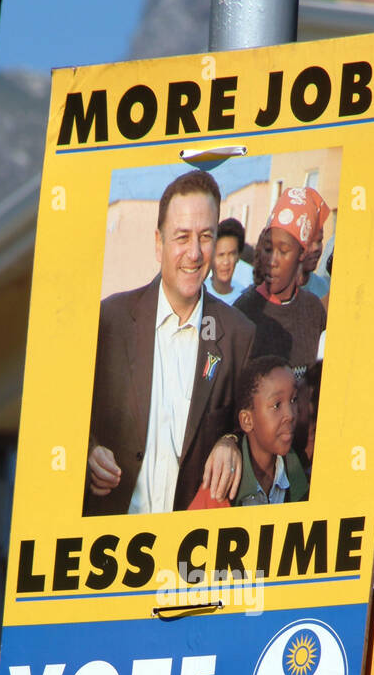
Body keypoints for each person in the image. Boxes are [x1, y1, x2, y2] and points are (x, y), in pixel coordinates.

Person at [84, 170, 255, 516]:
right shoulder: (109, 321)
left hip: (187, 556)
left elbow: (246, 426)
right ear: (159, 243)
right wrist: (88, 450)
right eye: (182, 237)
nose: (194, 253)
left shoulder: (239, 335)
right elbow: (67, 415)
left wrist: (231, 442)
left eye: (205, 236)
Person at [233, 187, 327, 383]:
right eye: (268, 249)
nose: (272, 261)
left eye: (283, 251)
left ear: (302, 253)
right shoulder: (243, 313)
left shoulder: (313, 311)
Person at [232, 355, 309, 506]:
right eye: (277, 405)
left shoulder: (303, 480)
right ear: (247, 420)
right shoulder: (219, 489)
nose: (290, 415)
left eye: (293, 400)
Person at [209, 217, 249, 306]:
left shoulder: (243, 298)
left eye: (231, 254)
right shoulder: (199, 293)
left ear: (238, 256)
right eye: (221, 255)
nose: (226, 262)